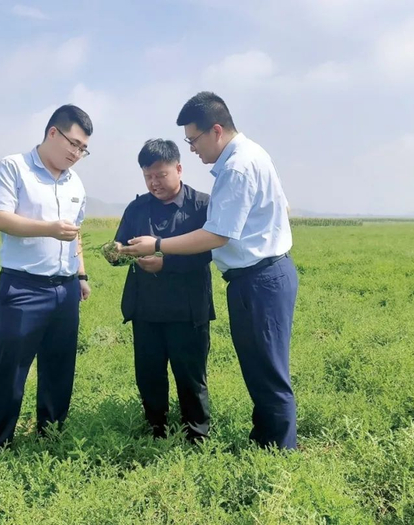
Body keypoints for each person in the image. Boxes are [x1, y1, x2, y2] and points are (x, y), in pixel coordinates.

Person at [120, 92, 298, 449]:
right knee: (260, 369)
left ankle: (278, 453)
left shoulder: (236, 168)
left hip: (258, 279)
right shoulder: (252, 155)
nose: (193, 149)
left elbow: (217, 235)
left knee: (267, 374)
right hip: (260, 277)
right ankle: (266, 443)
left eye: (194, 140)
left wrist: (158, 245)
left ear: (216, 130)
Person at [0, 104, 93, 447]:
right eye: (73, 143)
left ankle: (51, 437)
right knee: (11, 368)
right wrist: (48, 229)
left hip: (66, 287)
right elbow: (1, 218)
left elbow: (75, 233)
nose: (76, 153)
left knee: (60, 367)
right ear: (52, 133)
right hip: (24, 287)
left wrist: (82, 275)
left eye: (83, 149)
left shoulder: (76, 183)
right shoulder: (14, 167)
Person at [110, 139, 215, 441]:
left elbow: (209, 251)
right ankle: (156, 429)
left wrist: (165, 263)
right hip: (146, 307)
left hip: (188, 309)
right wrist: (116, 252)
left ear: (179, 169)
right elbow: (122, 244)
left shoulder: (202, 206)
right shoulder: (137, 208)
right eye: (148, 176)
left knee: (191, 376)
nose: (154, 182)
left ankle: (197, 434)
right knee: (149, 375)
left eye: (161, 175)